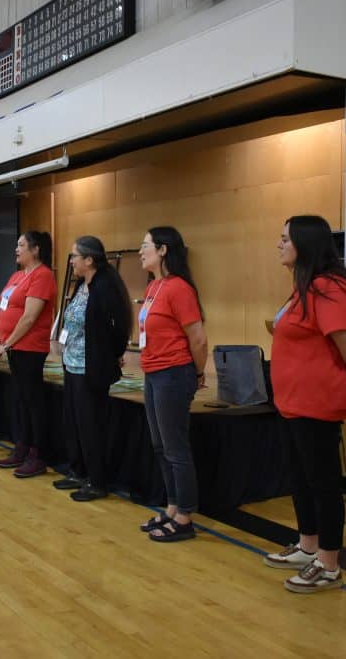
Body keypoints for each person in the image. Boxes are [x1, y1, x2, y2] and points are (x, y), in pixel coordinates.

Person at [264, 215, 346, 593]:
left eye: (284, 238)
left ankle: (329, 563)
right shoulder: (304, 287)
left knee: (323, 483)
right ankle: (308, 546)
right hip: (293, 403)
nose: (278, 245)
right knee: (300, 477)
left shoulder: (330, 287)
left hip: (318, 404)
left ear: (305, 244)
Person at [136, 227, 208, 542]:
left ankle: (184, 517)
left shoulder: (179, 288)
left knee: (176, 448)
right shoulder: (155, 286)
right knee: (160, 445)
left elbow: (198, 338)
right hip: (153, 373)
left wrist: (197, 372)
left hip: (174, 372)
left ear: (163, 250)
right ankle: (172, 506)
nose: (140, 251)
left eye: (145, 245)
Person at [57, 236, 132, 501]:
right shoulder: (82, 284)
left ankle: (98, 481)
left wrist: (113, 354)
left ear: (89, 260)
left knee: (91, 425)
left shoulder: (105, 286)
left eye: (75, 256)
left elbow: (120, 325)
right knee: (74, 422)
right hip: (72, 364)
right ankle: (78, 471)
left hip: (91, 368)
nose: (72, 261)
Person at [0, 231, 57, 478]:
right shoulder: (17, 276)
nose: (16, 249)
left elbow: (29, 317)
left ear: (36, 249)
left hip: (29, 348)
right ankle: (22, 446)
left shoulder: (43, 276)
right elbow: (4, 308)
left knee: (33, 402)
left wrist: (6, 344)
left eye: (21, 245)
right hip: (12, 347)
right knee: (20, 400)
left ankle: (38, 455)